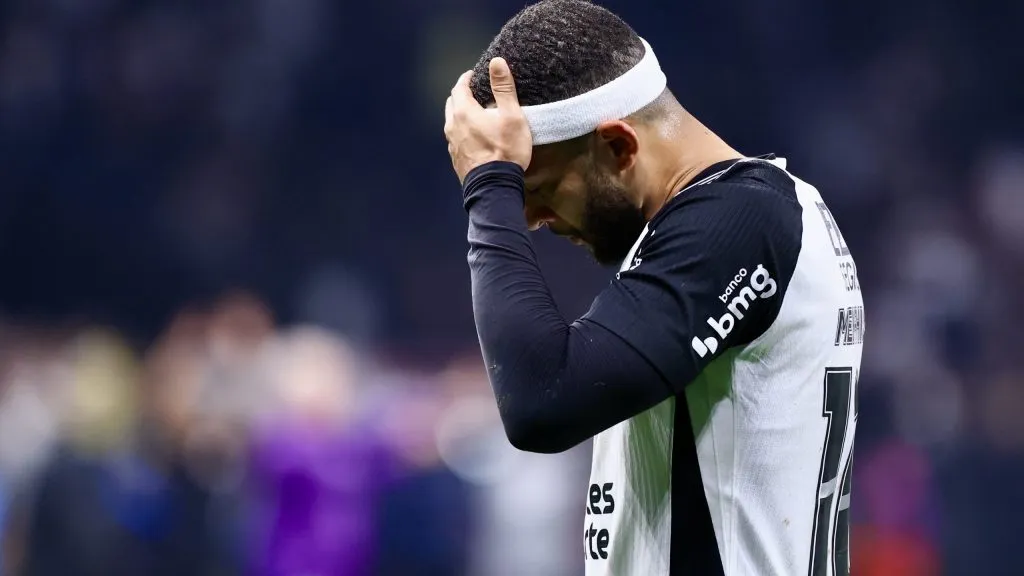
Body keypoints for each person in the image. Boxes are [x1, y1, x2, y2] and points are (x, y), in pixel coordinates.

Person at [442, 1, 865, 575]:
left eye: (538, 188)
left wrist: (489, 185)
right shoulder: (754, 215)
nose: (532, 220)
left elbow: (543, 401)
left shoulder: (739, 222)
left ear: (619, 146)